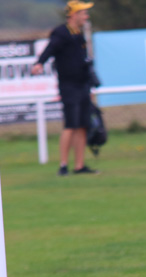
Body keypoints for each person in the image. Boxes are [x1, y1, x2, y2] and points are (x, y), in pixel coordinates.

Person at [31, 0, 98, 176]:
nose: (86, 16)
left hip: (82, 85)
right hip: (68, 87)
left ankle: (79, 165)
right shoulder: (61, 33)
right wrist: (39, 63)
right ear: (74, 14)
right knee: (70, 125)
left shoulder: (79, 34)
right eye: (83, 13)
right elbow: (50, 49)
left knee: (83, 125)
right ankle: (63, 165)